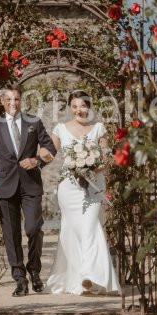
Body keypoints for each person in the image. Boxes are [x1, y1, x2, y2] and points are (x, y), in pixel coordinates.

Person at [45, 90, 120, 295]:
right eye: (75, 106)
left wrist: (93, 168)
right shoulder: (61, 129)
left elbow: (106, 158)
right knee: (73, 231)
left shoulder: (99, 129)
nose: (80, 110)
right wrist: (37, 156)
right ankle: (78, 276)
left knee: (90, 227)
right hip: (69, 189)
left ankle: (90, 276)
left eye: (83, 106)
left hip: (94, 186)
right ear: (70, 107)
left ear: (89, 107)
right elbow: (50, 153)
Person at [0, 86, 57, 296]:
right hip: (5, 186)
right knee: (11, 234)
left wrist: (37, 161)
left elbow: (50, 148)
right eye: (8, 100)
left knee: (34, 228)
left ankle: (34, 271)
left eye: (16, 99)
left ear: (21, 100)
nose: (13, 103)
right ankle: (20, 280)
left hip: (30, 184)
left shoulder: (33, 122)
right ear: (2, 102)